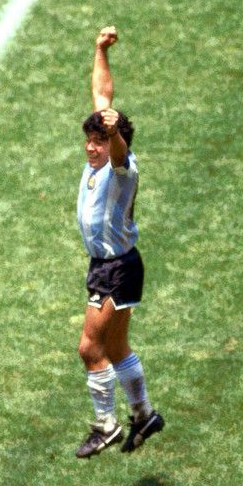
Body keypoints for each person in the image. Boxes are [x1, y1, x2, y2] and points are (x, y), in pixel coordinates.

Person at [74, 26, 164, 459]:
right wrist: (100, 51)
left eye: (99, 141)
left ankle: (105, 425)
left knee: (89, 348)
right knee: (115, 348)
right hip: (109, 265)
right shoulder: (99, 153)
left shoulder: (120, 167)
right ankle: (144, 414)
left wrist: (112, 137)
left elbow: (118, 151)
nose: (92, 148)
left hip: (116, 268)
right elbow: (102, 94)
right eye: (89, 140)